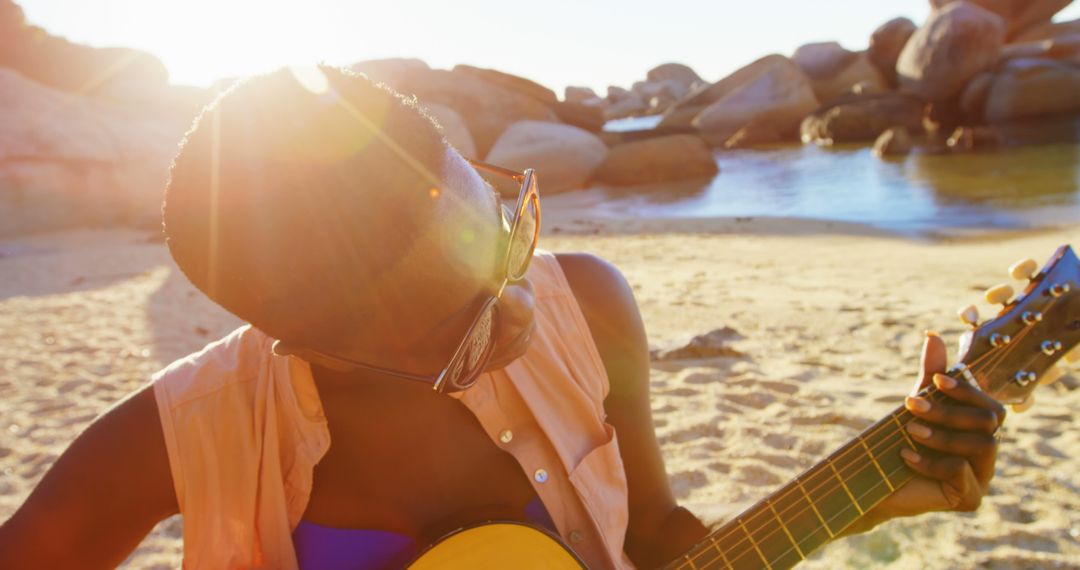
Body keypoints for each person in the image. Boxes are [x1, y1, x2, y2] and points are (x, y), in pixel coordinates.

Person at [0, 66, 1006, 569]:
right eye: (465, 329)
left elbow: (651, 537)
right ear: (308, 346)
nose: (524, 307)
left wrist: (879, 490)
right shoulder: (183, 434)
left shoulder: (591, 304)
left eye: (504, 231)